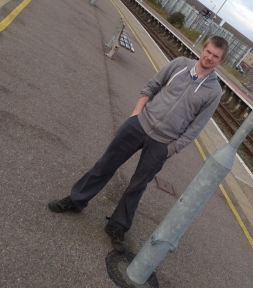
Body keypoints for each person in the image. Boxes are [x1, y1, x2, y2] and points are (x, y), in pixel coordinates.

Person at [48, 36, 229, 252]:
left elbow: (195, 128)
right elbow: (152, 86)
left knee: (138, 185)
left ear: (220, 61)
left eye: (215, 56)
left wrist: (171, 149)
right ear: (203, 49)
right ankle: (76, 200)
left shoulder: (214, 92)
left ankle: (117, 226)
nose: (209, 58)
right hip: (139, 125)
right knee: (105, 165)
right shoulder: (180, 64)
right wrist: (136, 114)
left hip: (162, 143)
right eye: (208, 52)